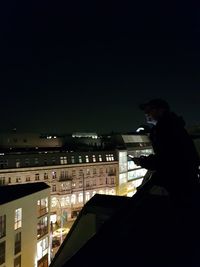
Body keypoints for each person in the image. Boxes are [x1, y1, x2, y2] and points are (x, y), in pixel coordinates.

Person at [132, 98, 200, 207]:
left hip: (179, 182)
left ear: (161, 110)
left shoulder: (164, 129)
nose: (146, 113)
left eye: (149, 110)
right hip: (186, 180)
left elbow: (166, 160)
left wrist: (143, 162)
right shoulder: (172, 125)